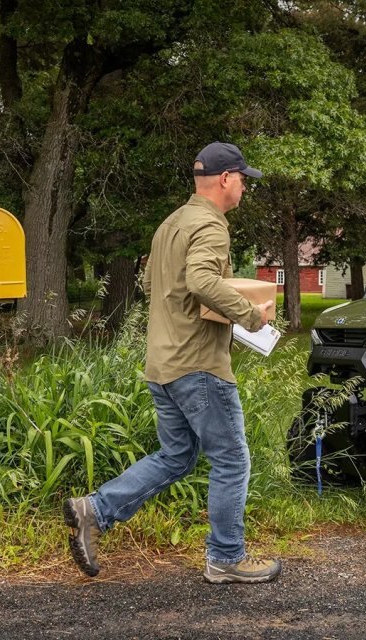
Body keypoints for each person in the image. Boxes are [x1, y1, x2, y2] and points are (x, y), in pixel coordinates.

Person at [64, 142, 281, 584]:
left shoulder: (171, 223)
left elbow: (153, 285)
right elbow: (201, 281)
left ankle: (96, 510)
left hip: (162, 363)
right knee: (232, 460)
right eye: (242, 179)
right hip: (198, 366)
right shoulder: (211, 225)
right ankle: (225, 557)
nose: (244, 187)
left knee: (177, 455)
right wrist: (249, 316)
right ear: (225, 179)